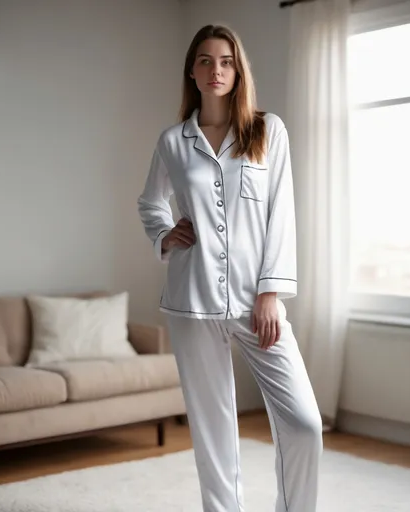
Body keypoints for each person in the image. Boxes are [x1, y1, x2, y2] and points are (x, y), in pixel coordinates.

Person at [137, 24, 323, 512]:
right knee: (214, 433)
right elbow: (150, 203)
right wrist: (164, 235)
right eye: (205, 61)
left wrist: (271, 293)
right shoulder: (173, 142)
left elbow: (280, 212)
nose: (215, 70)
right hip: (191, 302)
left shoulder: (267, 130)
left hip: (255, 301)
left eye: (225, 61)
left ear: (238, 70)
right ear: (192, 72)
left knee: (304, 422)